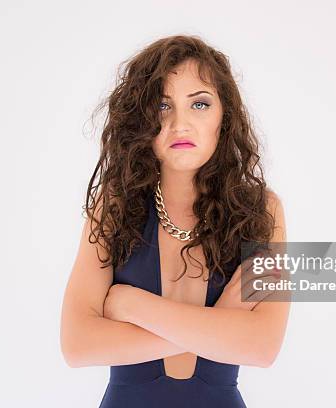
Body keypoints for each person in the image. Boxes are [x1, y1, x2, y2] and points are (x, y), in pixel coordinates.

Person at [60, 34, 290, 407]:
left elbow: (263, 346)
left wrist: (131, 305)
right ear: (141, 120)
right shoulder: (113, 206)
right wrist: (217, 325)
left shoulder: (261, 212)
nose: (180, 123)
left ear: (224, 116)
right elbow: (77, 345)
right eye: (162, 106)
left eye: (199, 104)